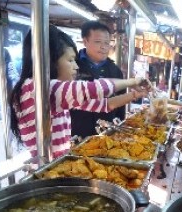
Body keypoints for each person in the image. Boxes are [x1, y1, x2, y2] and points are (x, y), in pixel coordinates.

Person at [9, 25, 152, 159]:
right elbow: (96, 89)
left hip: (59, 165)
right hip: (49, 174)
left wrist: (135, 95)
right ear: (51, 60)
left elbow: (104, 104)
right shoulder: (37, 88)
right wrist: (133, 81)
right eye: (70, 60)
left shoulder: (55, 94)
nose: (76, 66)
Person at [70, 21, 126, 138]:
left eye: (107, 43)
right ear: (85, 41)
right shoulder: (72, 67)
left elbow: (120, 107)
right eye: (98, 42)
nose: (103, 47)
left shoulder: (115, 71)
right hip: (76, 134)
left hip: (107, 135)